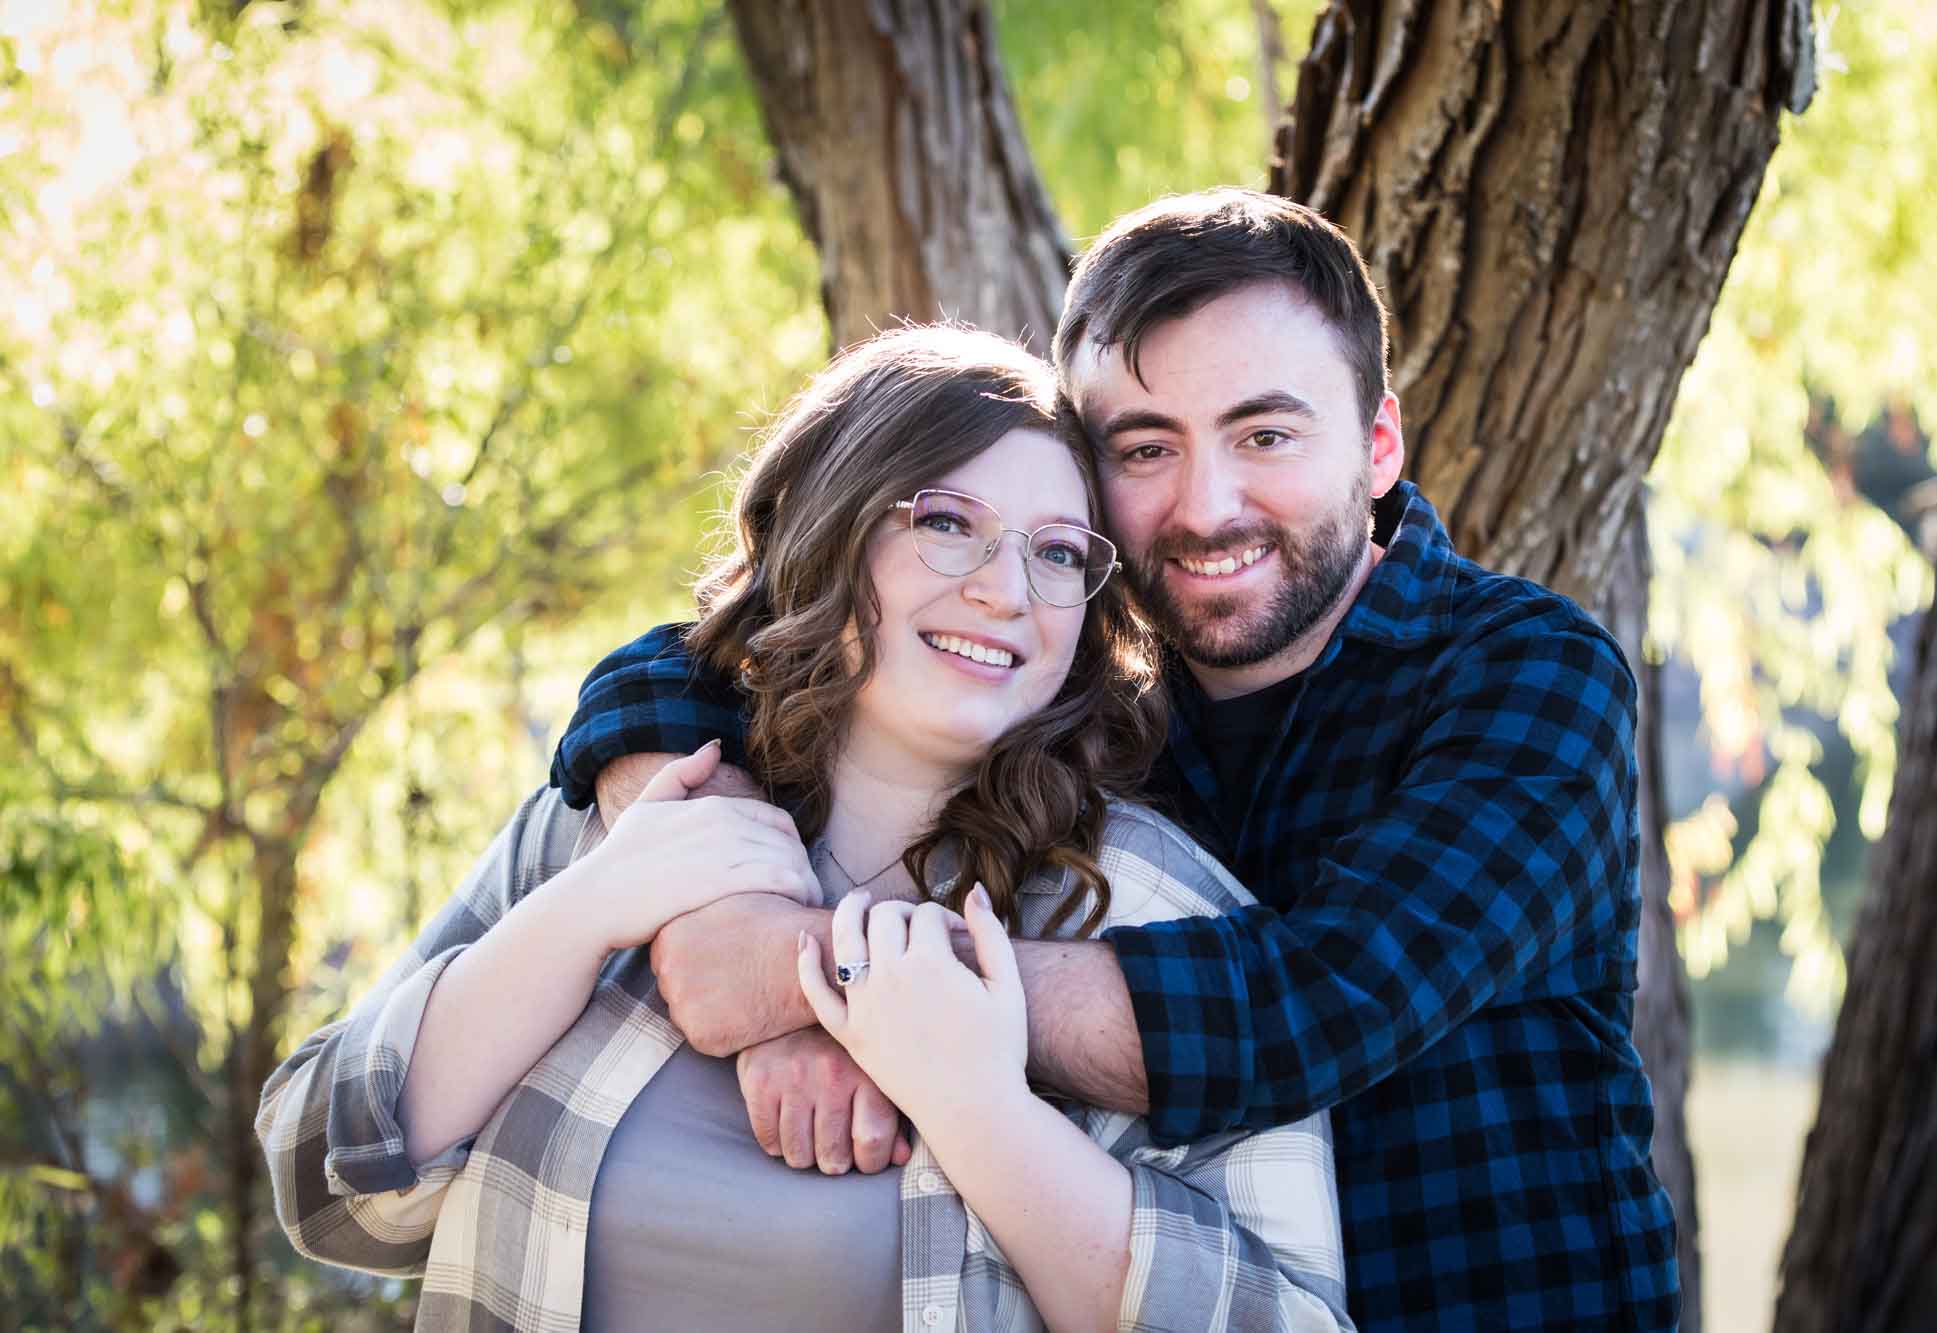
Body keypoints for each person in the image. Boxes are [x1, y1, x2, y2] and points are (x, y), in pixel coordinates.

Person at [554, 189, 1680, 1331]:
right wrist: (715, 882)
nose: (1206, 505)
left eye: (1265, 435)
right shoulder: (1079, 691)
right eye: (1144, 448)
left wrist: (814, 977)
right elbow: (685, 667)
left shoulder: (1526, 676)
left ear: (1378, 444)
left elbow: (1305, 1006)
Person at [257, 324, 1353, 1332]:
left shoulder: (1153, 908)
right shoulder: (620, 816)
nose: (1005, 590)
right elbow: (327, 1188)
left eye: (1058, 551)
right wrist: (591, 911)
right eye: (944, 523)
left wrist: (975, 1108)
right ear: (830, 527)